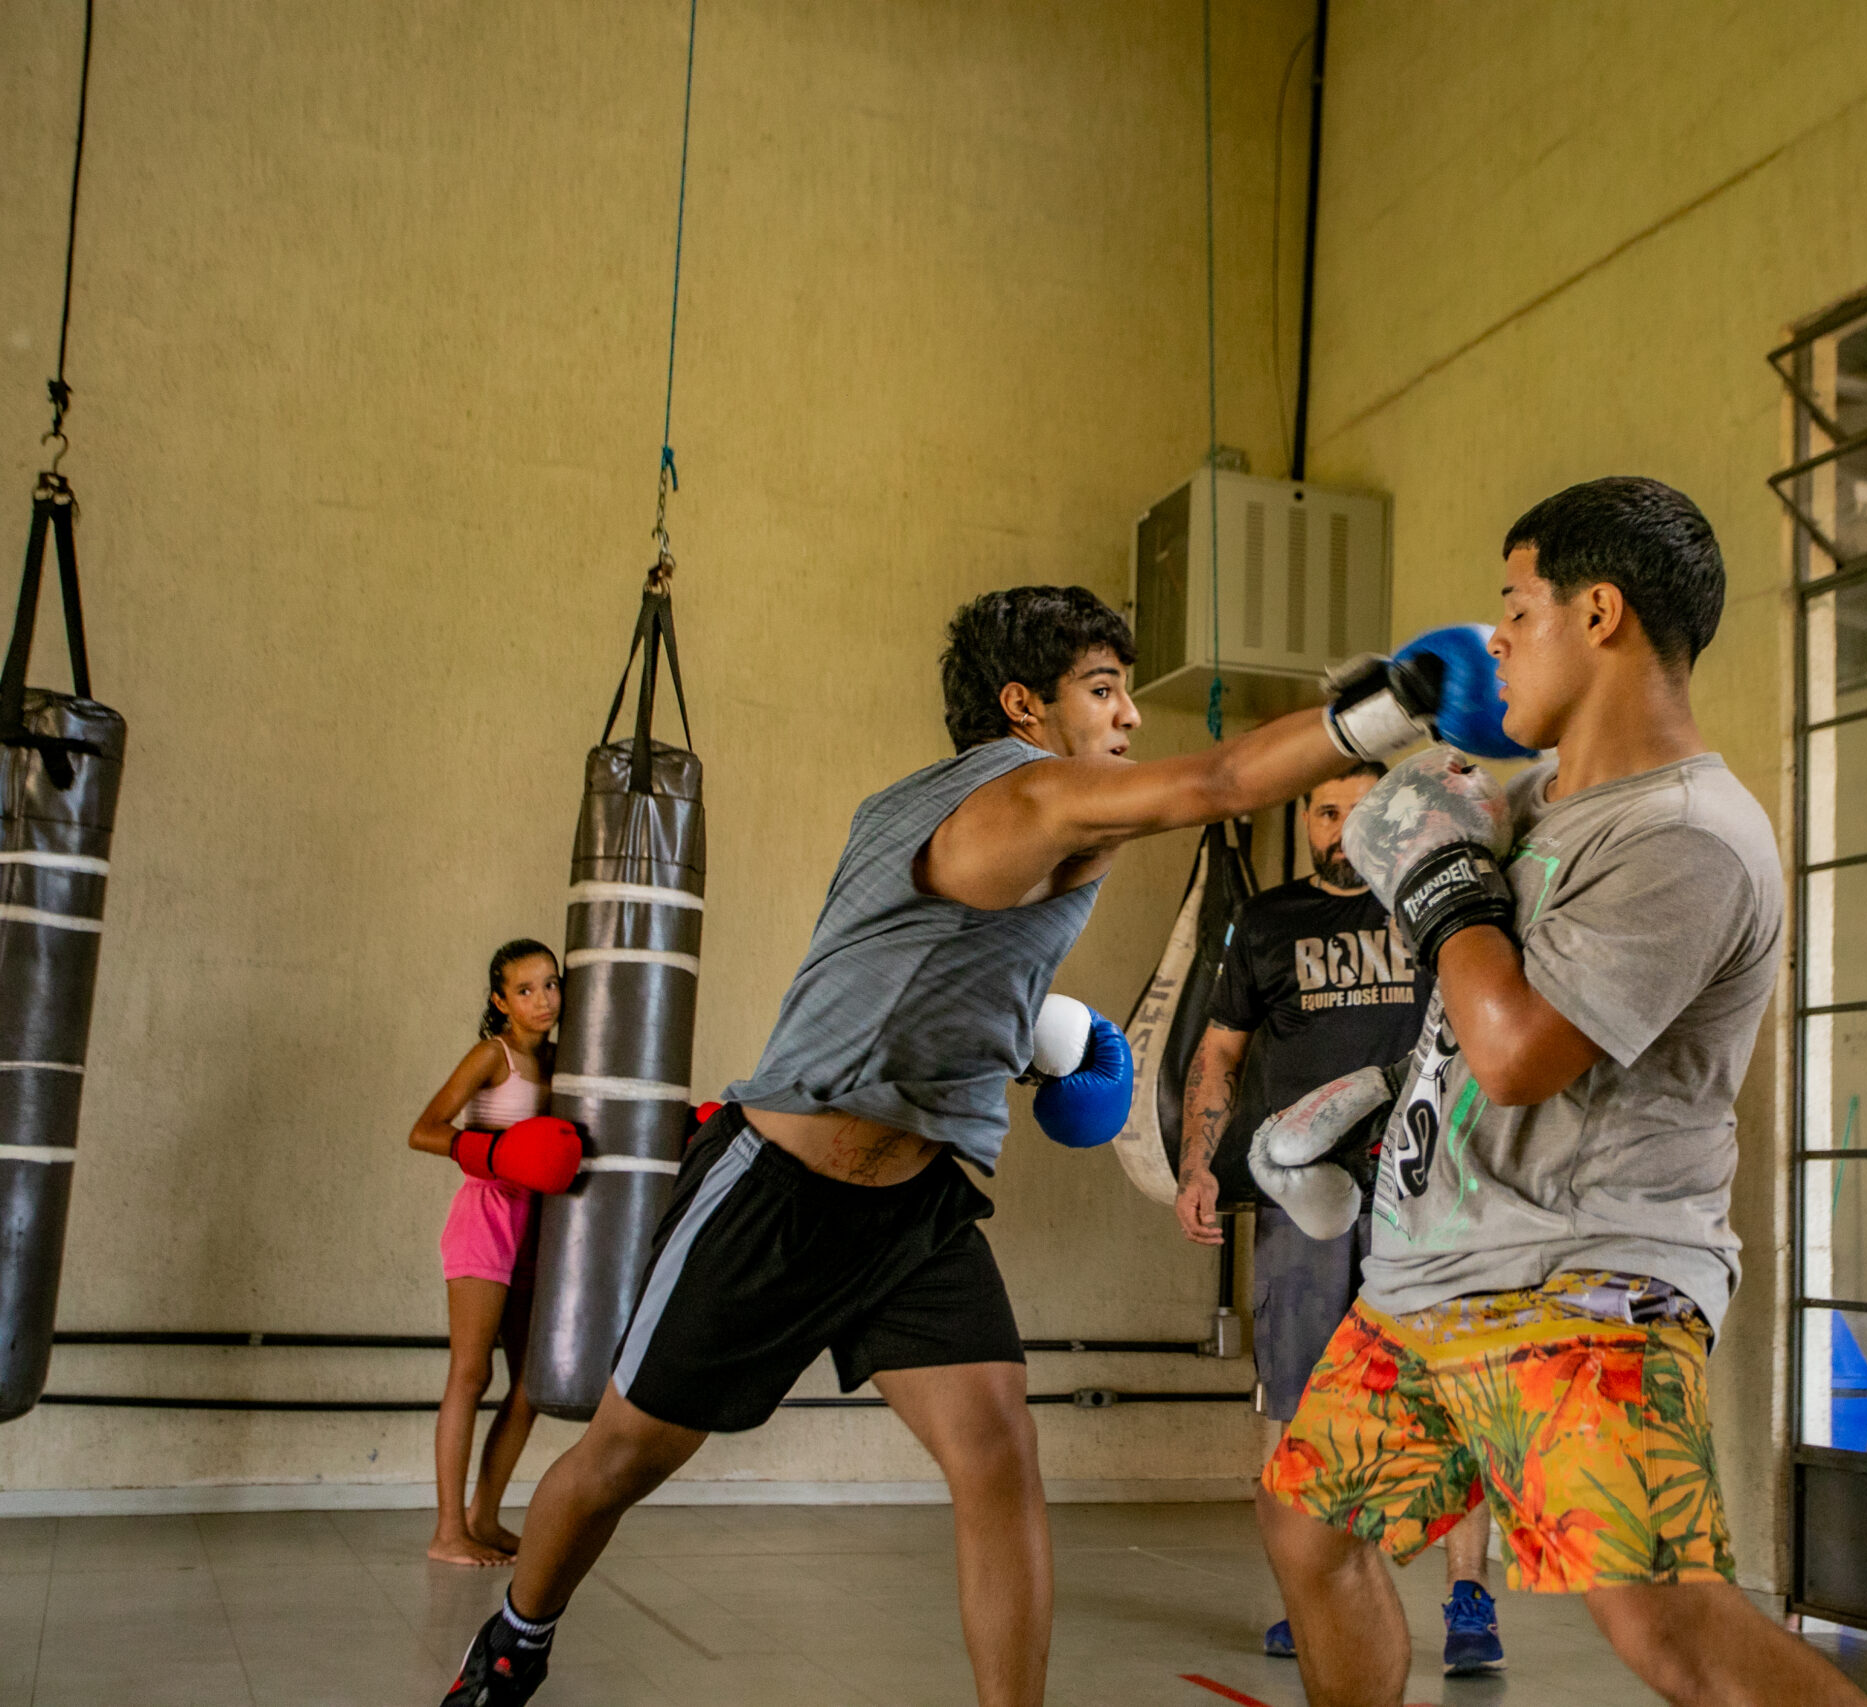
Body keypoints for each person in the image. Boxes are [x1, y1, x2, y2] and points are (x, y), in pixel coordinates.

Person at [440, 584, 1512, 1707]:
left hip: (911, 1210)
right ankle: (516, 1637)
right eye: (1103, 691)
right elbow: (1214, 785)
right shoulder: (1025, 797)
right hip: (776, 1195)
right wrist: (1399, 703)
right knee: (624, 1457)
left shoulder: (964, 814)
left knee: (998, 1458)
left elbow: (919, 970)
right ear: (1023, 705)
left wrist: (1042, 1041)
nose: (1129, 716)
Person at [1250, 478, 1867, 1707]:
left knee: (1671, 1635)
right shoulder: (1535, 805)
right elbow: (1466, 1023)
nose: (1496, 641)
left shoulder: (1687, 834)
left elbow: (1522, 1049)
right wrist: (1384, 1114)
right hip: (1430, 1285)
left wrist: (1430, 875)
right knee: (1309, 1528)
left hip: (1580, 1285)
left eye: (1515, 608)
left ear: (1599, 615)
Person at [1176, 766, 1503, 1676]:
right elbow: (1218, 1053)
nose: (1344, 824)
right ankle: (1308, 1592)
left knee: (1450, 1391)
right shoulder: (1269, 923)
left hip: (1435, 1192)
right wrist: (1200, 1164)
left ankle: (1468, 1596)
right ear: (1307, 821)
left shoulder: (1442, 905)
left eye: (1364, 810)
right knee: (1298, 1401)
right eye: (1326, 809)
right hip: (1304, 1201)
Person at [407, 939, 573, 1567]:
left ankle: (485, 1516)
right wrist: (495, 1151)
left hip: (538, 1225)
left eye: (550, 985)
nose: (542, 999)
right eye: (525, 990)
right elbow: (424, 1130)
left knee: (532, 1384)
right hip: (486, 1215)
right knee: (470, 1375)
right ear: (500, 1001)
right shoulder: (491, 1054)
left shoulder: (564, 1061)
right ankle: (448, 1530)